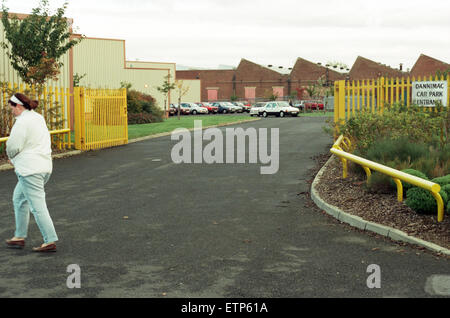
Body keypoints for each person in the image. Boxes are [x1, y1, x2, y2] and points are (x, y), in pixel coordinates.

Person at [5, 93, 58, 252]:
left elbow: (13, 146)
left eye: (12, 109)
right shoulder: (38, 118)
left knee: (37, 206)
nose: (11, 112)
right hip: (44, 166)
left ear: (18, 106)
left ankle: (50, 240)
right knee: (19, 198)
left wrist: (11, 158)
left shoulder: (22, 122)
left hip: (29, 170)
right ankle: (19, 237)